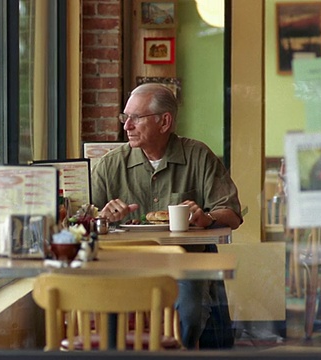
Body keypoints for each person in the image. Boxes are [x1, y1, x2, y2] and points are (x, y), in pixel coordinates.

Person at [91, 83, 243, 349]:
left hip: (184, 265)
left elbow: (232, 215)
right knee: (108, 311)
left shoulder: (198, 156)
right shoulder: (110, 165)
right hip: (124, 266)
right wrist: (102, 218)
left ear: (165, 122)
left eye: (135, 118)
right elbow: (82, 223)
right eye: (124, 117)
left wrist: (206, 217)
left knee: (190, 314)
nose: (126, 126)